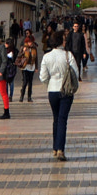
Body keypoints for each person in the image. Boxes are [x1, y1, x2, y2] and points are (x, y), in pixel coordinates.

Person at [39, 26, 82, 162]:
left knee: (56, 118)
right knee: (63, 120)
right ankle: (60, 150)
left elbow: (43, 77)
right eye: (64, 40)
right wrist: (74, 88)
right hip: (66, 91)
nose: (65, 42)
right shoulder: (68, 56)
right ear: (60, 41)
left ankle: (54, 147)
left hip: (52, 90)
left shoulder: (47, 57)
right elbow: (75, 73)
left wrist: (49, 84)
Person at [17, 33, 40, 103]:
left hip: (31, 67)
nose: (30, 43)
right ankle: (21, 96)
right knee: (25, 82)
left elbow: (36, 58)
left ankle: (29, 97)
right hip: (25, 67)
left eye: (31, 42)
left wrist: (36, 67)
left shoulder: (34, 48)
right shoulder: (23, 47)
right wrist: (23, 51)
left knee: (30, 83)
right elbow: (18, 56)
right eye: (29, 42)